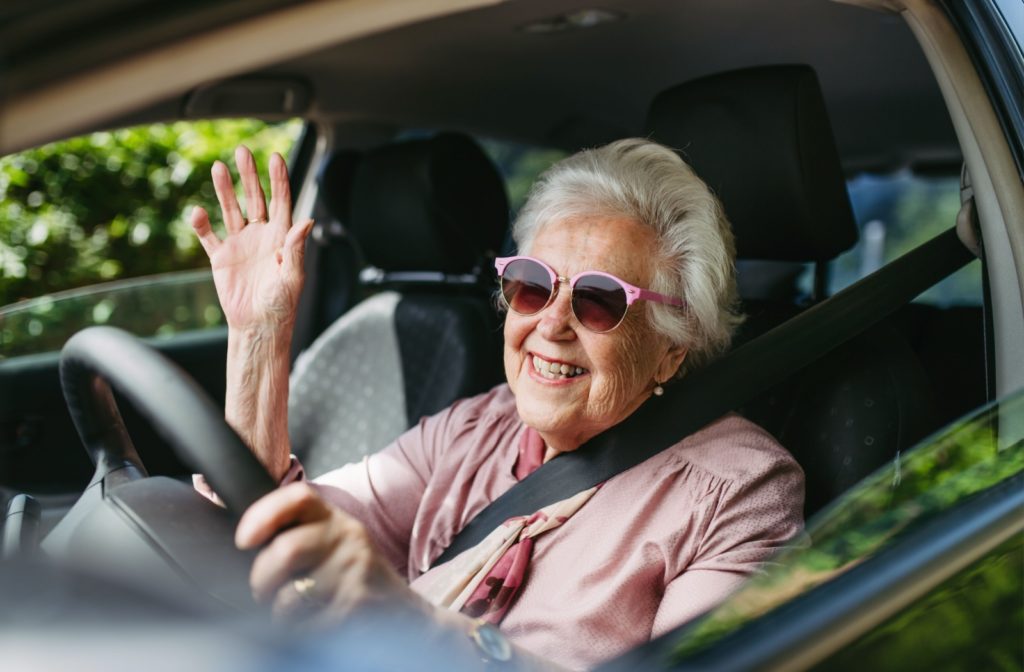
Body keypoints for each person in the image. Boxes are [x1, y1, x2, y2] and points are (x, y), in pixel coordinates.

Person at [190, 139, 804, 670]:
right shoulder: (475, 427)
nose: (552, 324)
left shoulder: (737, 491)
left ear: (673, 349)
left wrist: (413, 620)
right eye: (533, 285)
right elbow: (271, 529)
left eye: (599, 301)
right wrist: (259, 338)